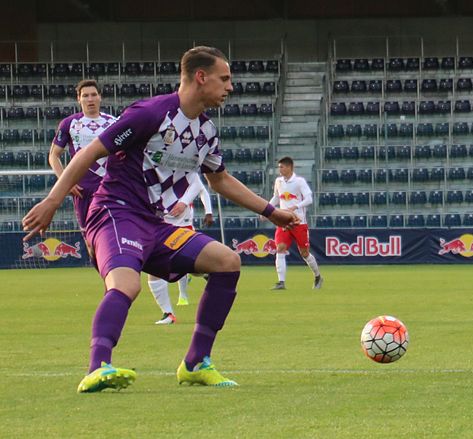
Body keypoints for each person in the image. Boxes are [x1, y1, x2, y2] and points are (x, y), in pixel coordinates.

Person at [22, 46, 299, 393]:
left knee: (227, 261)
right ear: (201, 77)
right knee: (127, 285)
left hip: (157, 224)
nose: (230, 87)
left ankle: (196, 363)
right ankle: (97, 367)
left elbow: (219, 180)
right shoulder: (150, 113)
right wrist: (52, 200)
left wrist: (271, 212)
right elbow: (91, 153)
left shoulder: (206, 131)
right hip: (115, 212)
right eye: (224, 78)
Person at [48, 79, 116, 257]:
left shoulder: (114, 123)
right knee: (90, 242)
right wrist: (66, 182)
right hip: (82, 190)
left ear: (100, 97)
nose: (90, 99)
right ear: (79, 99)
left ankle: (113, 279)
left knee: (112, 236)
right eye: (85, 95)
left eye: (94, 94)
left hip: (109, 188)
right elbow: (53, 156)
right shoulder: (70, 124)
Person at [148, 172, 214, 325]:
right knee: (153, 267)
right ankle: (168, 313)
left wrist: (207, 211)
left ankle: (208, 275)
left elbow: (201, 188)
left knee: (189, 265)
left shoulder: (185, 169)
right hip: (160, 225)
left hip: (183, 225)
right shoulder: (150, 169)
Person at [268, 156, 322, 290]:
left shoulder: (299, 182)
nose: (279, 169)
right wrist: (266, 209)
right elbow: (276, 197)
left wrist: (296, 206)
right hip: (283, 222)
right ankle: (281, 282)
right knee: (280, 248)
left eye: (282, 167)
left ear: (290, 167)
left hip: (299, 223)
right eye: (279, 167)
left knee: (305, 253)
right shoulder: (278, 181)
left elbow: (309, 199)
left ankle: (318, 276)